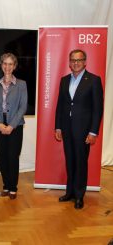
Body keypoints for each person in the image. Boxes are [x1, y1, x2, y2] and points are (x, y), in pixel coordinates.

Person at [55, 49, 103, 209]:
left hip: (84, 131)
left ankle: (79, 195)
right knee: (70, 161)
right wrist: (58, 126)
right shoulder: (64, 80)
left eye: (79, 60)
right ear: (69, 62)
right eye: (73, 60)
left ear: (85, 62)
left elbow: (98, 109)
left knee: (81, 162)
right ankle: (70, 192)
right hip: (67, 129)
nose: (76, 63)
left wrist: (93, 131)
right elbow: (60, 105)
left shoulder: (94, 80)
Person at [0, 53, 27, 200]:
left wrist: (11, 125)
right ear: (1, 65)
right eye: (5, 63)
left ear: (15, 66)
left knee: (13, 157)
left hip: (16, 125)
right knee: (3, 157)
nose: (7, 66)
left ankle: (13, 188)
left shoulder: (22, 84)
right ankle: (5, 186)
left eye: (11, 64)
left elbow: (22, 107)